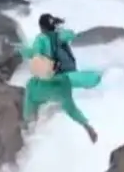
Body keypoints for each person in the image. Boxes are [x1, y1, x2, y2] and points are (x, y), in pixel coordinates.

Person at [19, 14, 102, 142]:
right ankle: (87, 126)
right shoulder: (61, 36)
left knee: (31, 91)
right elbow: (71, 34)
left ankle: (29, 126)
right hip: (63, 81)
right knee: (70, 107)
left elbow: (34, 53)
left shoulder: (41, 39)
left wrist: (21, 50)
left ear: (41, 27)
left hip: (46, 82)